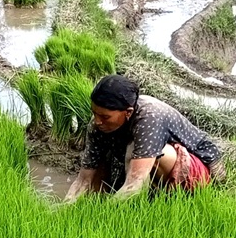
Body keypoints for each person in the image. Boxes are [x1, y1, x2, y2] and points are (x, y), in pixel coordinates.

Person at [65, 74, 224, 201]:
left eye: (105, 117)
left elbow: (135, 183)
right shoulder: (97, 125)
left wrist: (104, 217)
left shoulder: (149, 117)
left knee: (134, 150)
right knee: (98, 158)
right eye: (95, 113)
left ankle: (150, 200)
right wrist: (65, 207)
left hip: (196, 171)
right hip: (149, 167)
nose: (97, 121)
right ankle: (99, 200)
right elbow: (83, 179)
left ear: (128, 112)